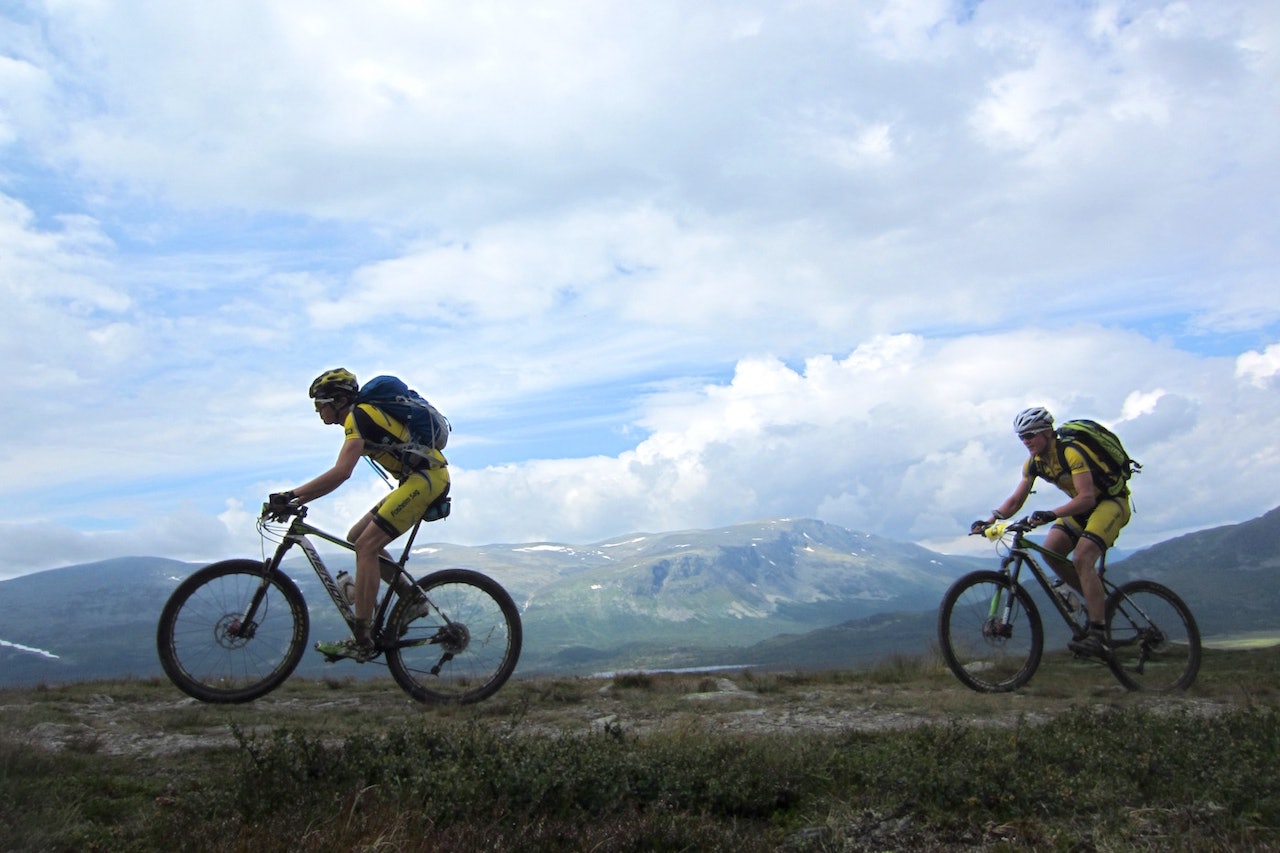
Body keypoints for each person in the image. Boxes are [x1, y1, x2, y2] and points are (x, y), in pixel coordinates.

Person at [268, 368, 450, 661]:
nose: (318, 411)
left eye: (321, 404)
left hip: (427, 478)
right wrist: (294, 499)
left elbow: (341, 473)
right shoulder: (359, 419)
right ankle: (412, 600)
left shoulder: (359, 416)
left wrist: (291, 496)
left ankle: (362, 637)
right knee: (356, 538)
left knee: (367, 546)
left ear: (338, 401)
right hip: (420, 478)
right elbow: (341, 473)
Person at [972, 406, 1132, 658]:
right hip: (1080, 510)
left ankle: (1098, 632)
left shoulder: (1071, 453)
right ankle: (1094, 602)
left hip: (1109, 505)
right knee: (1050, 551)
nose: (1026, 441)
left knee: (1082, 558)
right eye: (1021, 437)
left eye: (1030, 435)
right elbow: (1016, 500)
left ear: (1048, 433)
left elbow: (1088, 497)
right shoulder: (1034, 463)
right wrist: (990, 520)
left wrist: (1052, 513)